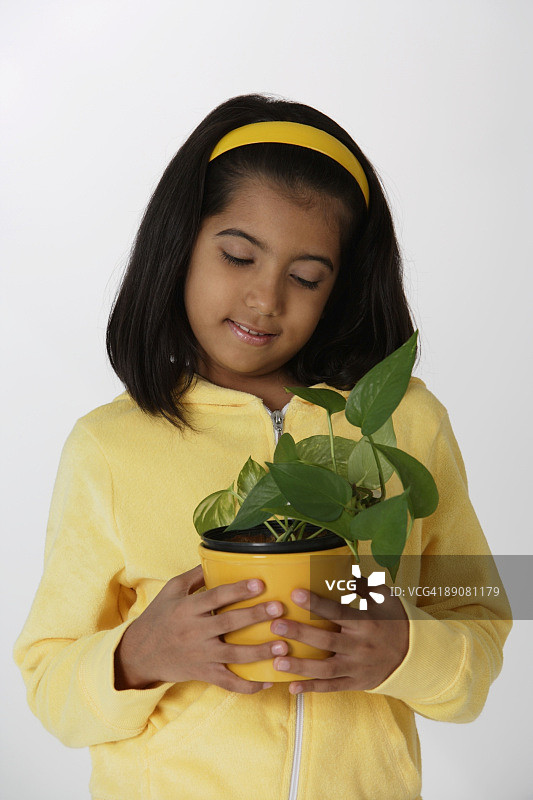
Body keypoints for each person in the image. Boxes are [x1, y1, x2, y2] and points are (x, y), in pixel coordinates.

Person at [14, 93, 511, 800]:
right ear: (181, 242)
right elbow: (46, 677)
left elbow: (483, 606)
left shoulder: (404, 421)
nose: (263, 299)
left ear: (339, 287)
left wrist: (409, 648)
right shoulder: (108, 446)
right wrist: (138, 655)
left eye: (305, 277)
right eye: (239, 255)